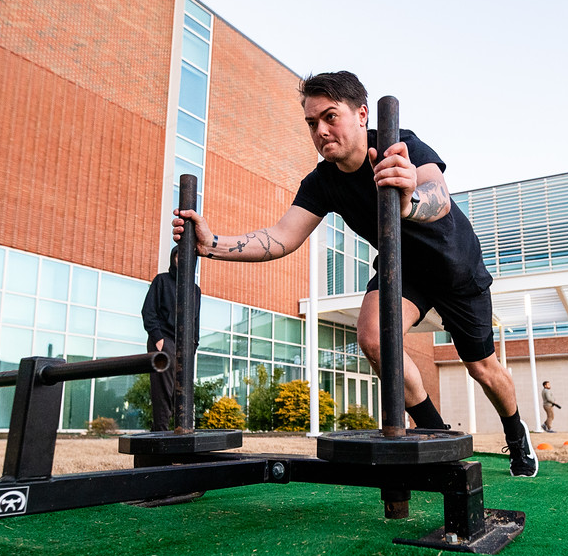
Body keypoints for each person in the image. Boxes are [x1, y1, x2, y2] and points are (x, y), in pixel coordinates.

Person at [171, 71, 538, 477]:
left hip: (456, 266)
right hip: (404, 268)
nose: (321, 131)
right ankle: (435, 434)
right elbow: (282, 236)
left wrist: (409, 200)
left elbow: (439, 198)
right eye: (312, 123)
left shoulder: (399, 145)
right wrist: (213, 244)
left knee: (482, 367)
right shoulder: (323, 182)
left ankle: (515, 432)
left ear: (362, 114)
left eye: (330, 117)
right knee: (372, 335)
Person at [141, 246, 201, 431]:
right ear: (173, 258)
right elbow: (148, 311)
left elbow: (195, 321)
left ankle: (181, 431)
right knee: (163, 389)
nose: (182, 260)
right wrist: (159, 339)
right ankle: (160, 430)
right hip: (163, 341)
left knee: (182, 390)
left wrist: (193, 346)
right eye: (179, 256)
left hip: (184, 346)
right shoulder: (161, 281)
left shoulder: (195, 290)